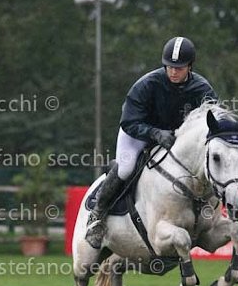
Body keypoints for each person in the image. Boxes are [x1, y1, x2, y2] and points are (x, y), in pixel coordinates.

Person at [86, 36, 218, 249]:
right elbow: (129, 122)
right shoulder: (147, 84)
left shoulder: (202, 89)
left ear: (190, 66)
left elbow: (213, 122)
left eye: (179, 68)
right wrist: (155, 133)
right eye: (169, 67)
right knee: (126, 167)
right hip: (137, 134)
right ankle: (97, 216)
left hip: (175, 140)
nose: (173, 72)